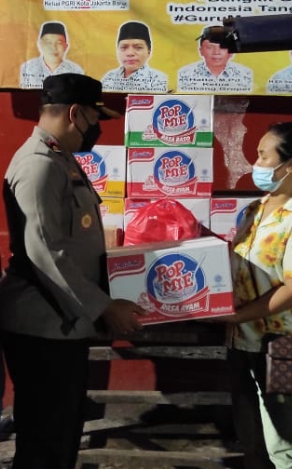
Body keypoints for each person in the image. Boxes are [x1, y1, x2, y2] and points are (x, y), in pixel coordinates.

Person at [0, 73, 146, 469]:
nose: (96, 129)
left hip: (61, 323)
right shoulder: (39, 165)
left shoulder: (60, 160)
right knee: (46, 443)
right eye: (95, 119)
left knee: (60, 435)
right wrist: (104, 307)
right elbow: (44, 252)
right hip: (44, 328)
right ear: (75, 113)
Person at [214, 122, 292, 469]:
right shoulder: (255, 210)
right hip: (241, 342)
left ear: (291, 164)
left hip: (285, 346)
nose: (256, 163)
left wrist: (239, 314)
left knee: (285, 446)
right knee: (250, 439)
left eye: (263, 156)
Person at [177, 25, 253, 93]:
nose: (216, 52)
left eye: (222, 47)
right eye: (210, 47)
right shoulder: (185, 74)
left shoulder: (245, 74)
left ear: (232, 52)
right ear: (201, 51)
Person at [101, 21, 168, 93]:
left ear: (148, 52)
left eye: (138, 47)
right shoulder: (109, 77)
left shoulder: (158, 79)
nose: (130, 53)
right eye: (124, 47)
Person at [19, 21, 84, 89]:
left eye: (59, 43)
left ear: (66, 46)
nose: (54, 47)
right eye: (49, 43)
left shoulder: (75, 70)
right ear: (40, 44)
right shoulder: (28, 68)